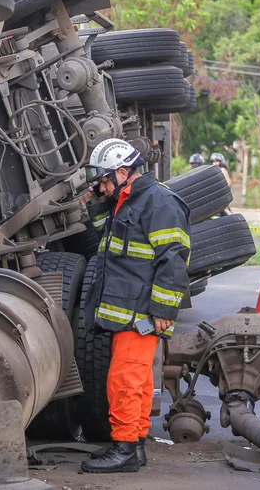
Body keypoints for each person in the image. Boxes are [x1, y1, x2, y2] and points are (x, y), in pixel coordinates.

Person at [79, 139, 191, 474]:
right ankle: (135, 445)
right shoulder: (127, 200)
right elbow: (111, 240)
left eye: (104, 180)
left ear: (124, 172)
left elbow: (174, 261)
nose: (102, 186)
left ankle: (124, 448)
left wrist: (161, 311)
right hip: (128, 310)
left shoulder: (160, 203)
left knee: (124, 380)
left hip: (141, 312)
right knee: (137, 379)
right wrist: (98, 203)